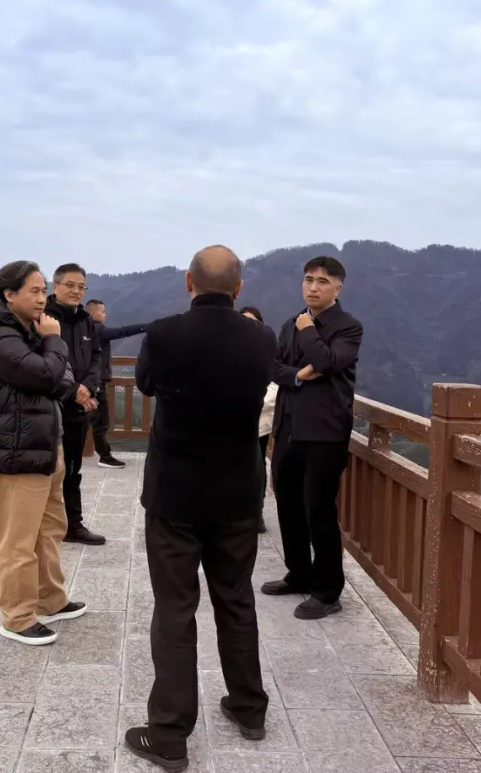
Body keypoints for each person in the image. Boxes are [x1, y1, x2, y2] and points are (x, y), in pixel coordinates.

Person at [124, 245, 275, 772]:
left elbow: (145, 383)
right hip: (237, 493)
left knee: (175, 608)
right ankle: (249, 708)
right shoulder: (262, 337)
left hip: (175, 494)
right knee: (235, 599)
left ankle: (169, 733)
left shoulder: (164, 333)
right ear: (239, 288)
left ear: (189, 282)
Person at [0, 260, 87, 646]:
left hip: (45, 445)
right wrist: (55, 343)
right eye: (34, 291)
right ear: (9, 294)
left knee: (50, 529)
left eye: (43, 291)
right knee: (17, 539)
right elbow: (48, 375)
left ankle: (49, 599)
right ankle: (18, 617)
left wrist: (52, 356)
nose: (42, 298)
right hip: (16, 449)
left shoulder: (29, 332)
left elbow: (62, 380)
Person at [262, 255, 363, 621]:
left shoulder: (348, 327)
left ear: (338, 287)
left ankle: (328, 590)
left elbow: (329, 362)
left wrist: (308, 332)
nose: (313, 287)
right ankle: (299, 573)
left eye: (322, 281)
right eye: (308, 279)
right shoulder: (290, 323)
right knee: (288, 505)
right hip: (288, 427)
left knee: (318, 510)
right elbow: (274, 367)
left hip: (325, 433)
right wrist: (300, 375)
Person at [44, 264, 107, 546]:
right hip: (50, 406)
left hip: (78, 408)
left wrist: (88, 387)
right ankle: (43, 523)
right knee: (46, 469)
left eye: (81, 287)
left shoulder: (86, 321)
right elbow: (43, 363)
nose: (76, 291)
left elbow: (96, 357)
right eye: (70, 285)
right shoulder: (44, 318)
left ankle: (73, 524)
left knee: (72, 468)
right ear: (55, 286)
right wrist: (73, 390)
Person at [85, 298, 148, 469]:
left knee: (87, 420)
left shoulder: (84, 329)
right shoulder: (98, 329)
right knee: (100, 422)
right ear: (93, 313)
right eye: (103, 311)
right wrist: (145, 327)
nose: (105, 315)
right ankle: (104, 457)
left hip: (87, 380)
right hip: (97, 382)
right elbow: (122, 331)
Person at [241, 306, 277, 534]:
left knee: (257, 465)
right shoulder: (229, 349)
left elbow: (276, 383)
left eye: (253, 322)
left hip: (259, 421)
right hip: (232, 420)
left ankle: (256, 512)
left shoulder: (268, 351)